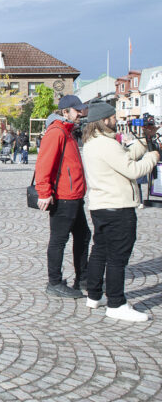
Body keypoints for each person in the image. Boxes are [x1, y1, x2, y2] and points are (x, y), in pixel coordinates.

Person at [81, 103, 160, 321]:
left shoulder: (93, 142)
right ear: (104, 120)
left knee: (100, 250)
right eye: (113, 117)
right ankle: (116, 303)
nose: (116, 120)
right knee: (117, 257)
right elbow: (133, 169)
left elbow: (124, 155)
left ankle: (94, 295)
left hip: (101, 206)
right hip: (118, 207)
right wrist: (153, 157)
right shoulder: (107, 145)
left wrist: (144, 141)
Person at [36, 95, 90, 299]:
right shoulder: (56, 132)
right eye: (77, 111)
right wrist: (44, 192)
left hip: (74, 195)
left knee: (84, 236)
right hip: (63, 196)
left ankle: (83, 277)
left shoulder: (68, 131)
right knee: (59, 240)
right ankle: (55, 282)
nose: (81, 113)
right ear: (65, 112)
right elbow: (44, 163)